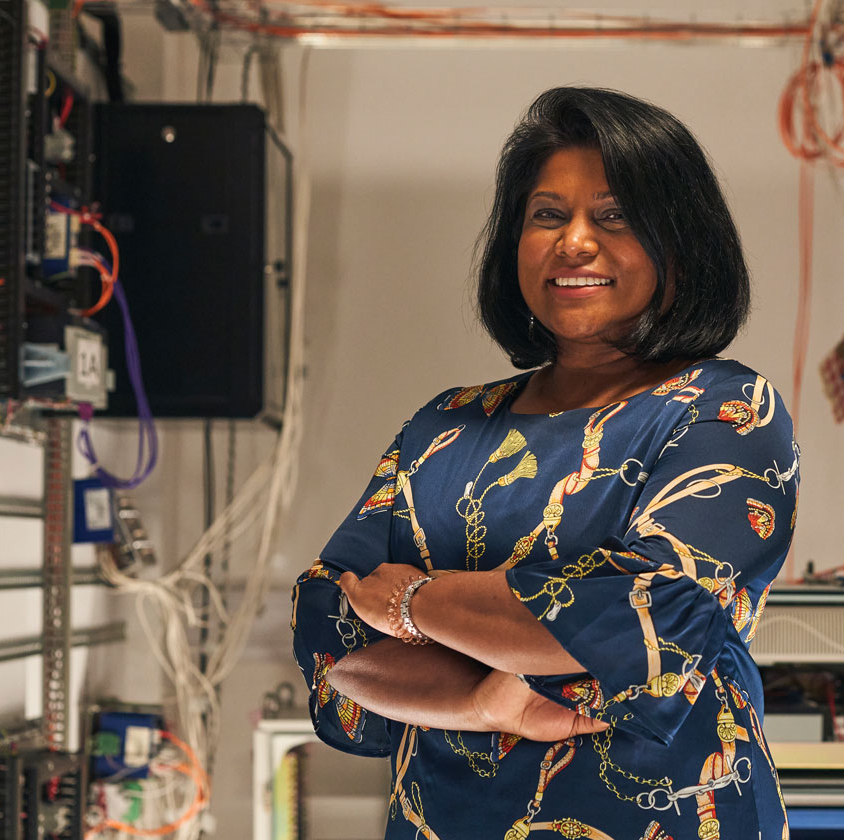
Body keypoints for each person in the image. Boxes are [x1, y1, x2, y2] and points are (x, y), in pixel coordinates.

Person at [291, 86, 800, 840]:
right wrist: (481, 701)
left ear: (682, 242)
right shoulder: (445, 427)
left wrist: (415, 604)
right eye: (548, 215)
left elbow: (641, 618)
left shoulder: (722, 409)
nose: (575, 242)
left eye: (615, 215)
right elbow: (335, 640)